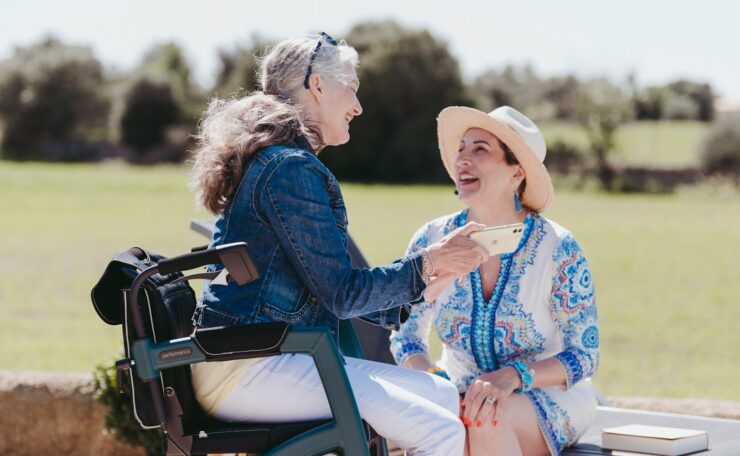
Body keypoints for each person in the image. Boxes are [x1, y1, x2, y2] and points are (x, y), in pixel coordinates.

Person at [188, 33, 490, 456]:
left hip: (263, 357)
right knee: (440, 430)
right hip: (249, 369)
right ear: (317, 85)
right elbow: (341, 294)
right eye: (352, 86)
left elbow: (327, 288)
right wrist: (426, 265)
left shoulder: (276, 161)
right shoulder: (288, 169)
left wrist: (427, 281)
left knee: (438, 396)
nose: (358, 106)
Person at [390, 106, 600, 455]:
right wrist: (436, 381)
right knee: (454, 417)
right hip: (456, 392)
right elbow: (405, 334)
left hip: (544, 395)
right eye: (461, 149)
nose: (462, 160)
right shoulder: (432, 238)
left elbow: (586, 355)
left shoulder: (558, 248)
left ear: (516, 172)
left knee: (487, 416)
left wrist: (514, 376)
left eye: (480, 149)